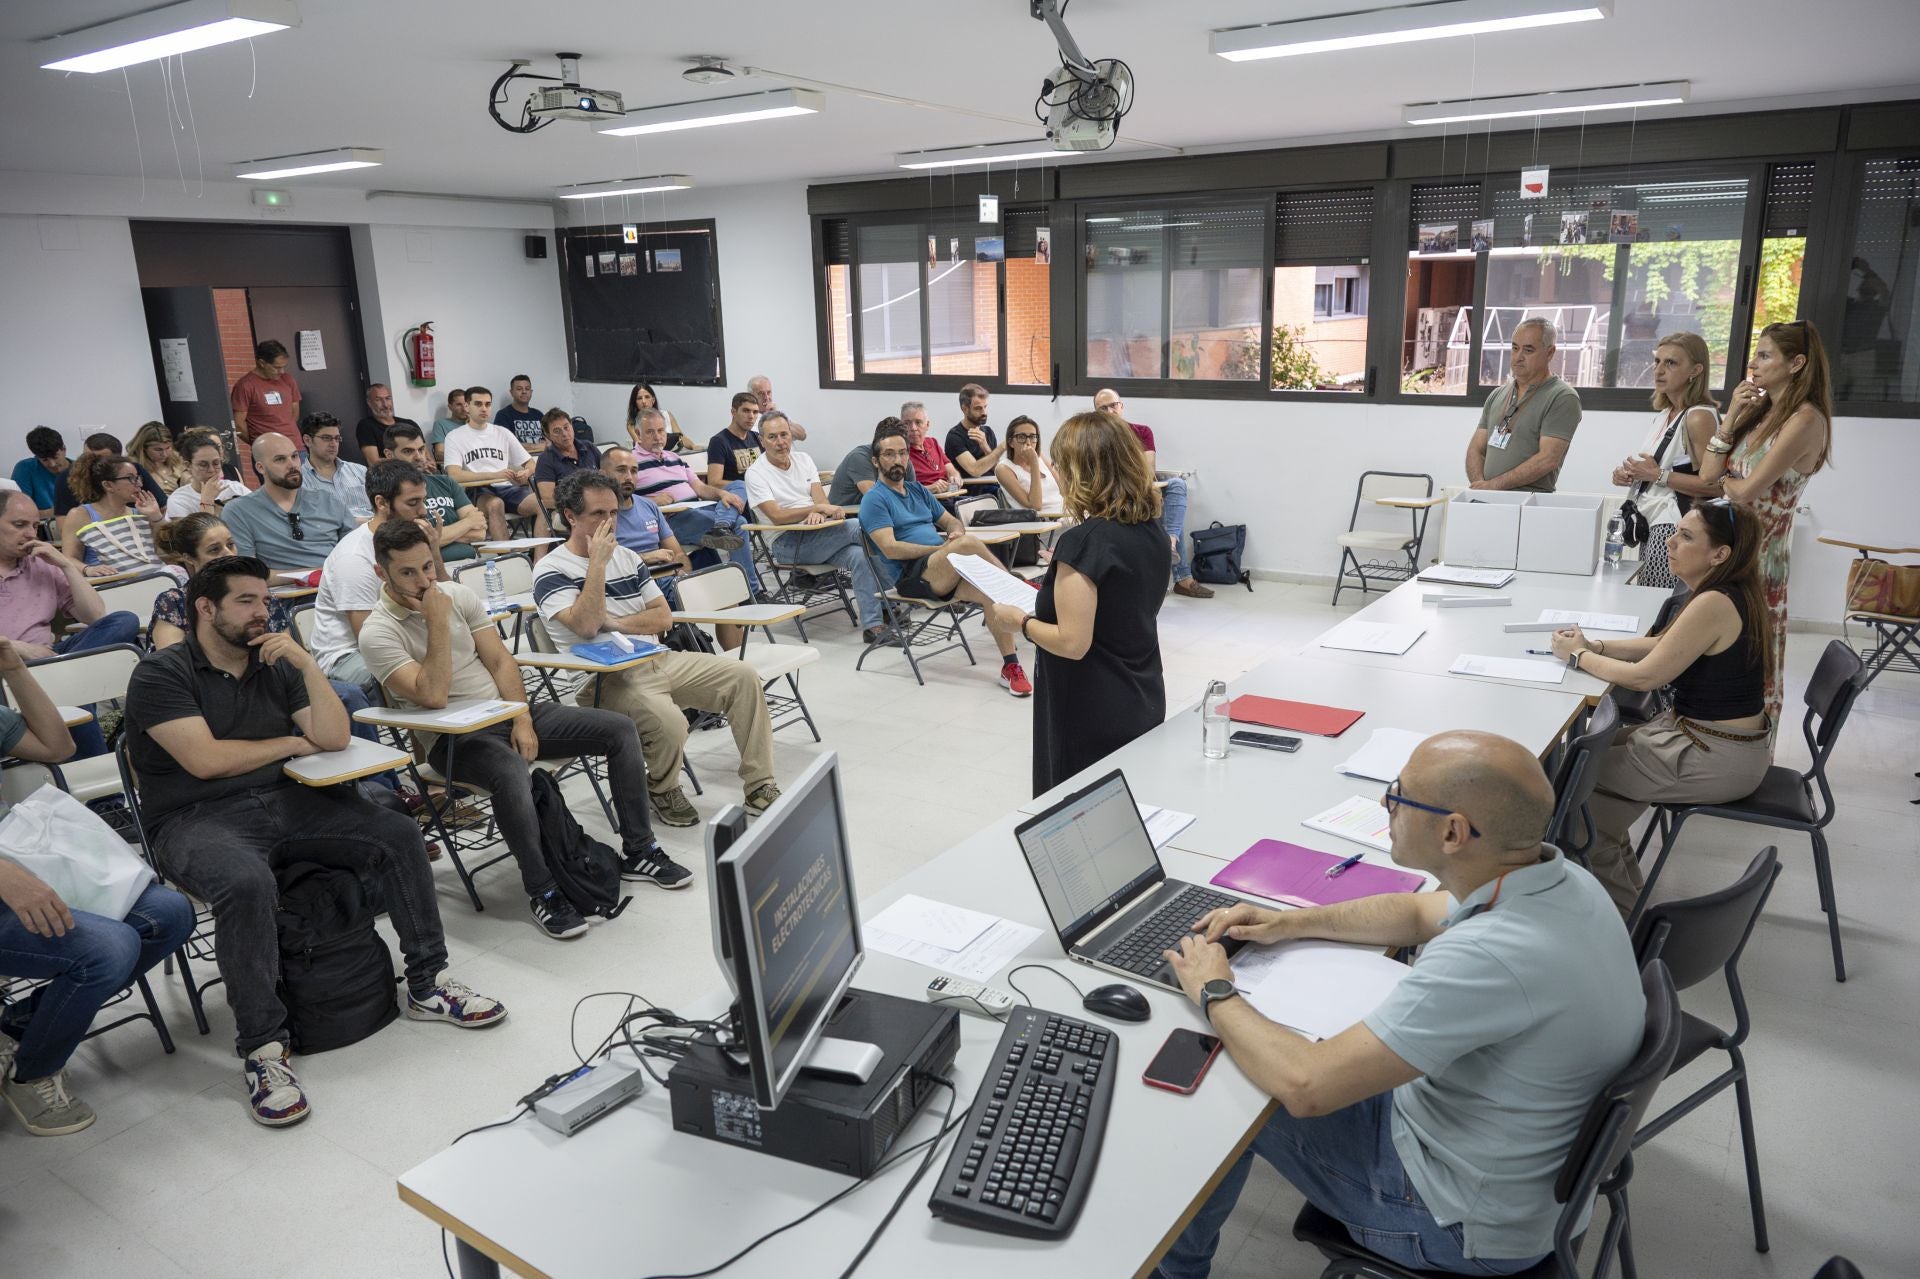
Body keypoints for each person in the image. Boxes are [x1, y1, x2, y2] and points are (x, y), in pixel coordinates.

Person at [1153, 731, 1645, 1279]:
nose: (1386, 804)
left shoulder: (1488, 955)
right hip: (1520, 1185)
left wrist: (1214, 989)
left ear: (1452, 831)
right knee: (1273, 1047)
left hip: (1458, 1226)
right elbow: (1414, 913)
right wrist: (1287, 921)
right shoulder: (1561, 881)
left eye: (1398, 795)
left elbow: (1307, 1087)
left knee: (1224, 1075)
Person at [124, 556, 508, 1126]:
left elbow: (330, 736)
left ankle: (428, 981)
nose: (264, 611)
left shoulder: (277, 660)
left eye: (266, 599)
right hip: (193, 817)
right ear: (204, 609)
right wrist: (287, 745)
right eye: (246, 602)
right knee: (245, 882)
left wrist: (304, 662)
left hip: (290, 797)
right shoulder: (161, 674)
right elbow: (204, 762)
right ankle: (263, 1047)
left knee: (397, 833)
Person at [358, 521, 689, 934]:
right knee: (511, 773)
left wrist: (522, 717)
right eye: (408, 572)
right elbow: (433, 695)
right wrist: (437, 622)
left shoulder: (459, 595)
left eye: (428, 567)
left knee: (619, 729)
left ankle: (640, 850)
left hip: (506, 713)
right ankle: (543, 891)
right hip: (454, 741)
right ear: (381, 573)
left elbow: (500, 661)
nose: (425, 581)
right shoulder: (377, 631)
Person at [0, 635, 195, 1136]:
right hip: (7, 877)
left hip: (20, 867)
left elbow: (57, 746)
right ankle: (34, 1071)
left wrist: (14, 668)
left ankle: (19, 1027)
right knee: (108, 948)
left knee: (169, 914)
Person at [1551, 502, 1774, 914]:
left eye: (1687, 536)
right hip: (1717, 743)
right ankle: (1627, 906)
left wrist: (1578, 657)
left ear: (1719, 554)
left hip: (1714, 754)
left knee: (1574, 787)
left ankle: (1616, 923)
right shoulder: (1724, 590)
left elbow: (1644, 678)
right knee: (1590, 785)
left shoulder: (1714, 602)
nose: (1670, 541)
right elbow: (1663, 646)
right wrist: (1596, 645)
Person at [536, 471, 781, 826]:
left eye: (613, 513)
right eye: (598, 515)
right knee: (669, 722)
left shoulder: (629, 558)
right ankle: (662, 787)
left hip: (656, 658)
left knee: (743, 677)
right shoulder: (550, 569)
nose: (610, 523)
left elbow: (663, 619)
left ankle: (759, 785)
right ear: (571, 517)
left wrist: (617, 624)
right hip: (602, 680)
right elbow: (587, 625)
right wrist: (598, 565)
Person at [989, 413, 1162, 792]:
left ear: (1085, 471)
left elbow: (1073, 642)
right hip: (1141, 689)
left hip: (1090, 704)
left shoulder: (1085, 542)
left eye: (1061, 467)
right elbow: (1117, 610)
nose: (1058, 476)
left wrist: (1019, 622)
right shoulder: (1152, 529)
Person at [1697, 319, 1834, 727]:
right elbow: (1707, 475)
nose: (1753, 364)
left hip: (1762, 559)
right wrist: (1733, 413)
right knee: (1716, 655)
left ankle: (1750, 753)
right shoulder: (1762, 413)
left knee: (1754, 664)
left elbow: (1745, 491)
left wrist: (1726, 481)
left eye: (1764, 355)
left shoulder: (1806, 420)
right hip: (1732, 551)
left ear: (1797, 363)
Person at [148, 513, 386, 748]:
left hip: (269, 680)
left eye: (230, 544)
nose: (228, 554)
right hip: (215, 691)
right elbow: (176, 664)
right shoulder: (175, 601)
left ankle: (376, 782)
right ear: (189, 558)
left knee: (348, 695)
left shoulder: (263, 597)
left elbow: (287, 656)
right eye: (214, 549)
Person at [861, 420, 1032, 697]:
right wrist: (943, 549)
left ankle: (1010, 667)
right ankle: (1017, 587)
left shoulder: (917, 490)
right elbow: (890, 549)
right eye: (889, 454)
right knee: (968, 544)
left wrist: (952, 535)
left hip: (944, 568)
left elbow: (952, 521)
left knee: (991, 591)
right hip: (912, 578)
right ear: (876, 460)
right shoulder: (875, 499)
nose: (898, 460)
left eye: (902, 453)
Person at [744, 413, 888, 644]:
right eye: (772, 437)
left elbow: (822, 502)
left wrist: (820, 511)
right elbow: (777, 516)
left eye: (784, 434)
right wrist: (816, 508)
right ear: (762, 440)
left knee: (860, 555)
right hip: (787, 543)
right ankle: (896, 599)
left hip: (819, 535)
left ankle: (873, 626)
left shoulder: (804, 460)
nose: (780, 442)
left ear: (791, 435)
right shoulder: (755, 473)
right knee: (861, 527)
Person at [311, 460, 445, 700]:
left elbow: (446, 597)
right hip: (348, 655)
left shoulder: (412, 542)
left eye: (423, 500)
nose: (423, 511)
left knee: (463, 657)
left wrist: (434, 553)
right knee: (421, 681)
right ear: (381, 503)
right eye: (412, 503)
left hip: (402, 635)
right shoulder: (353, 557)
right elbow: (367, 637)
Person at [1610, 333, 1723, 591]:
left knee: (1657, 601)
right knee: (1648, 596)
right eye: (1657, 362)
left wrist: (1658, 475)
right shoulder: (1664, 414)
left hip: (1674, 527)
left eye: (1671, 363)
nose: (1659, 370)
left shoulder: (1699, 417)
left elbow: (1718, 486)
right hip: (1651, 523)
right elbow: (1654, 470)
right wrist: (1628, 474)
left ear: (1695, 370)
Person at [1092, 389, 1212, 599]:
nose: (1110, 411)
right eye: (1103, 408)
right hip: (1116, 491)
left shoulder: (1141, 431)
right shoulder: (1094, 439)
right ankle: (1182, 575)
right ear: (1096, 413)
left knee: (1177, 484)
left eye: (1113, 405)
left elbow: (1147, 470)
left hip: (1143, 486)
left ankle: (1170, 542)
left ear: (1122, 406)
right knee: (1170, 512)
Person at [0, 492, 141, 661]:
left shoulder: (42, 564)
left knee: (124, 621)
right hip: (6, 663)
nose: (31, 533)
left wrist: (66, 565)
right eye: (19, 525)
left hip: (47, 655)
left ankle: (61, 670)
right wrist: (17, 648)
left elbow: (95, 617)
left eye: (35, 526)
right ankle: (63, 673)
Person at [627, 411, 755, 588]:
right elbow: (623, 498)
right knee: (739, 524)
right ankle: (750, 590)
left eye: (661, 431)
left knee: (739, 486)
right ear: (638, 434)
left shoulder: (675, 457)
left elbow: (701, 488)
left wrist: (721, 494)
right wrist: (653, 501)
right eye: (650, 432)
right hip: (673, 519)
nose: (657, 437)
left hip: (701, 509)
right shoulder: (630, 462)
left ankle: (722, 525)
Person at [1465, 318, 1582, 494]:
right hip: (1487, 499)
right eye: (1514, 348)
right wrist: (1481, 487)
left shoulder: (1562, 397)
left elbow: (1548, 459)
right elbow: (1476, 449)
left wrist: (1493, 486)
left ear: (1550, 353)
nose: (1518, 357)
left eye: (1528, 350)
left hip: (1529, 503)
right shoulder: (1497, 394)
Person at [220, 432, 353, 570]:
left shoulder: (329, 500)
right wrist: (313, 575)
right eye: (280, 459)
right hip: (280, 590)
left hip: (337, 585)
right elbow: (248, 574)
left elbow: (355, 554)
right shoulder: (238, 511)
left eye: (294, 456)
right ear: (261, 468)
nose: (292, 465)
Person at [442, 385, 549, 542]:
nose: (484, 408)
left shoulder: (502, 432)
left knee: (542, 504)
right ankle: (507, 559)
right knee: (495, 504)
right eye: (478, 404)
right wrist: (495, 475)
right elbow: (454, 475)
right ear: (467, 406)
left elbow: (530, 463)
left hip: (506, 487)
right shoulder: (454, 436)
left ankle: (539, 560)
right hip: (476, 490)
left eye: (488, 404)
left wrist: (525, 473)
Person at [383, 421, 486, 563]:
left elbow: (479, 531)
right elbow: (412, 542)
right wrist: (468, 523)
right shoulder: (389, 493)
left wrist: (434, 538)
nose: (418, 457)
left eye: (420, 449)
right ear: (389, 455)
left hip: (470, 564)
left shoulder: (446, 482)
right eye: (408, 451)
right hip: (427, 572)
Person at [58, 454, 165, 576]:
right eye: (131, 478)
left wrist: (156, 517)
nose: (139, 484)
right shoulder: (80, 515)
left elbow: (172, 549)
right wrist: (87, 569)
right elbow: (68, 559)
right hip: (114, 586)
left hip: (158, 579)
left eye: (138, 477)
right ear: (108, 485)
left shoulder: (141, 512)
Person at [55, 433, 165, 517]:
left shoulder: (133, 470)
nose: (90, 464)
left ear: (117, 459)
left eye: (99, 459)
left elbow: (163, 507)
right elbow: (63, 524)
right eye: (86, 457)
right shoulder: (68, 477)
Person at [298, 412, 372, 522]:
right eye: (326, 438)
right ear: (307, 440)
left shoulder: (360, 471)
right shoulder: (300, 481)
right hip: (331, 536)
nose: (333, 444)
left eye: (337, 438)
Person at [229, 338, 302, 449]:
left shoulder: (288, 379)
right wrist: (260, 444)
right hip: (268, 450)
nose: (282, 371)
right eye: (277, 367)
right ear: (262, 363)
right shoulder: (246, 385)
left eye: (284, 367)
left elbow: (294, 409)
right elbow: (239, 424)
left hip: (295, 446)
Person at [164, 429, 252, 520]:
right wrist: (207, 502)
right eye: (203, 465)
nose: (211, 470)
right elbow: (196, 534)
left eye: (216, 463)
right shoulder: (179, 500)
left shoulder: (236, 489)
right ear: (188, 466)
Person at [533, 407, 602, 510]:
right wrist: (582, 506)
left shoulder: (588, 447)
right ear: (548, 435)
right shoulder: (546, 459)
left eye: (566, 427)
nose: (564, 434)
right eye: (557, 431)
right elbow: (548, 500)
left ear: (572, 426)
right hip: (567, 510)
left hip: (599, 502)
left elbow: (607, 475)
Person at [993, 416, 1064, 514]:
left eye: (1032, 437)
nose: (1028, 442)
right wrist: (1034, 463)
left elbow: (1064, 489)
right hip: (1045, 521)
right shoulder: (1003, 469)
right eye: (1021, 437)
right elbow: (1036, 505)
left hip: (1065, 513)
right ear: (1010, 442)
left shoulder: (1040, 457)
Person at [825, 418, 899, 508]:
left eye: (902, 450)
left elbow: (911, 498)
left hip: (872, 512)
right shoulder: (859, 458)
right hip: (844, 516)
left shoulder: (905, 460)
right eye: (889, 451)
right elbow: (876, 500)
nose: (897, 458)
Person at [944, 383, 1004, 486]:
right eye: (978, 408)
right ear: (965, 409)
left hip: (994, 488)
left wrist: (986, 447)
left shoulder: (988, 432)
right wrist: (1002, 447)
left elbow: (998, 470)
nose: (984, 412)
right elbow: (975, 470)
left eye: (985, 407)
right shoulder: (954, 436)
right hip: (973, 493)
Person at [705, 393, 764, 491]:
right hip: (736, 496)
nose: (751, 416)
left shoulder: (757, 437)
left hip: (760, 494)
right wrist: (750, 486)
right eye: (746, 411)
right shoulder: (718, 441)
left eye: (755, 412)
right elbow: (714, 483)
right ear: (733, 412)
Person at [901, 401, 961, 493]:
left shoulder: (933, 443)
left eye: (918, 422)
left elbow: (951, 470)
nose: (913, 428)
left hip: (950, 496)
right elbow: (899, 490)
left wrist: (955, 478)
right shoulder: (900, 452)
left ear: (927, 425)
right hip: (925, 501)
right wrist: (930, 489)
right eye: (907, 423)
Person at [354, 382, 417, 467]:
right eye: (378, 400)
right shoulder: (366, 426)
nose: (385, 405)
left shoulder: (410, 423)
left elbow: (427, 456)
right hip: (391, 477)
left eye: (388, 398)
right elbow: (374, 462)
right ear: (369, 403)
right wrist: (410, 461)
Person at [11, 427, 68, 518]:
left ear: (64, 449)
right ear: (36, 457)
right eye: (45, 460)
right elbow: (16, 511)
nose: (52, 464)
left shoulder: (80, 469)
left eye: (55, 457)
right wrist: (51, 513)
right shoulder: (25, 468)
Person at [625, 383, 694, 452]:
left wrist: (694, 447)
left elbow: (681, 438)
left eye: (647, 397)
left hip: (673, 455)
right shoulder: (632, 424)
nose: (643, 401)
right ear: (635, 402)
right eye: (639, 398)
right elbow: (641, 446)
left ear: (653, 400)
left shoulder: (667, 415)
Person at [128, 422, 190, 497]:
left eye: (168, 448)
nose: (165, 454)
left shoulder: (179, 458)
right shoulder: (133, 467)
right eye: (158, 450)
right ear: (143, 448)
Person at [746, 374, 806, 440]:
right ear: (751, 396)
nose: (767, 397)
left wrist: (777, 416)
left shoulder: (780, 413)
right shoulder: (749, 419)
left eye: (768, 392)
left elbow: (802, 436)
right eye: (761, 394)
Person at [493, 374, 545, 448]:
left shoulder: (538, 414)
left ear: (531, 392)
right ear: (511, 392)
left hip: (541, 457)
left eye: (527, 388)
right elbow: (504, 443)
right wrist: (534, 446)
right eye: (519, 389)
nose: (524, 391)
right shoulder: (503, 415)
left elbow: (550, 440)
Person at [429, 386, 468, 465]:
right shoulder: (441, 424)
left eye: (466, 404)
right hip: (455, 466)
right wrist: (466, 458)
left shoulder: (476, 423)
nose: (464, 409)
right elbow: (438, 454)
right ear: (450, 407)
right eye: (459, 405)